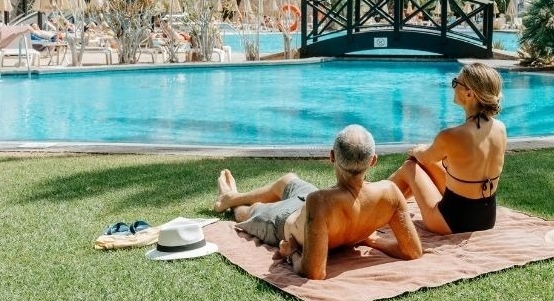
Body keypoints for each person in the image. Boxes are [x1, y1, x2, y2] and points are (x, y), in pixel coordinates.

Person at [212, 125, 422, 280]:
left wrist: (292, 253)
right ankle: (231, 197)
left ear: (331, 157)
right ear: (374, 160)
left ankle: (233, 202)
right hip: (316, 205)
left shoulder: (320, 201)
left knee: (250, 212)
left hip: (282, 222)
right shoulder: (390, 193)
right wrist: (368, 238)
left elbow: (314, 272)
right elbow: (412, 250)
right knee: (288, 180)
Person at [388, 63, 506, 235]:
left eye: (455, 83)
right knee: (425, 165)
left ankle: (376, 204)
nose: (453, 87)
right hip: (486, 219)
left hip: (452, 222)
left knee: (410, 166)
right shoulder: (500, 128)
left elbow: (424, 157)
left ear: (469, 94)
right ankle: (384, 200)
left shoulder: (451, 136)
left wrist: (416, 150)